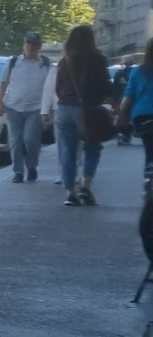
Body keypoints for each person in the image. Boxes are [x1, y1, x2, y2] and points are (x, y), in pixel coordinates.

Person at [51, 24, 113, 207]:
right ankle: (85, 186)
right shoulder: (99, 59)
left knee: (67, 151)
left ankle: (70, 192)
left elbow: (58, 87)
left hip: (65, 109)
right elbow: (105, 86)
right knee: (92, 147)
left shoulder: (65, 60)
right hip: (90, 109)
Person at [0, 31, 51, 182]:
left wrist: (48, 109)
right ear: (23, 45)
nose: (31, 47)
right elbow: (3, 83)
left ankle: (32, 166)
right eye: (28, 44)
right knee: (16, 140)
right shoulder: (13, 62)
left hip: (35, 108)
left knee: (31, 139)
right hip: (14, 106)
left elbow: (51, 87)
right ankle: (18, 172)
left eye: (34, 44)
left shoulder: (45, 63)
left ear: (39, 46)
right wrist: (0, 103)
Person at [118, 39, 153, 178]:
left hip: (142, 117)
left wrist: (119, 114)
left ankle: (148, 180)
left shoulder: (137, 71)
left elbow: (128, 96)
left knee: (149, 150)